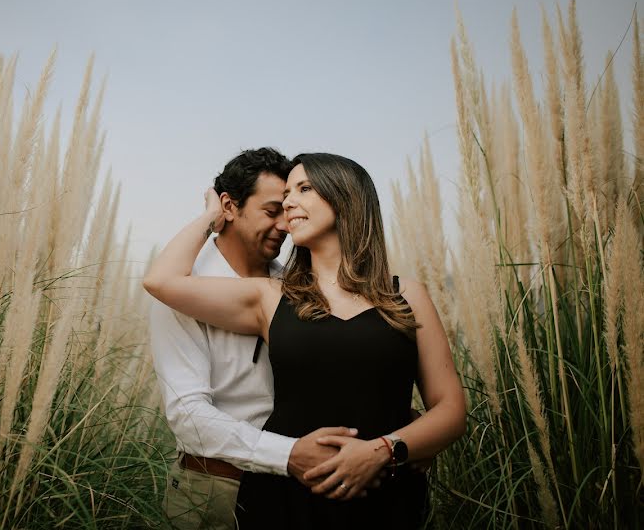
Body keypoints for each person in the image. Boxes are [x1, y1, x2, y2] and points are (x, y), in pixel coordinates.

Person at [144, 153, 466, 528]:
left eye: (303, 189)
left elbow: (449, 409)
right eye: (281, 198)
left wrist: (391, 445)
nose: (287, 207)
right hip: (280, 493)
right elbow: (160, 282)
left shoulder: (407, 296)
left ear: (344, 196)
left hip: (385, 496)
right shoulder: (271, 296)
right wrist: (210, 218)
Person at [150, 148, 360, 530]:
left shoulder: (299, 287)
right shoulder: (182, 287)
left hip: (301, 490)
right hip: (213, 490)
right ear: (228, 206)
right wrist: (288, 454)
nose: (285, 223)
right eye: (271, 211)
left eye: (288, 209)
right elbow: (188, 417)